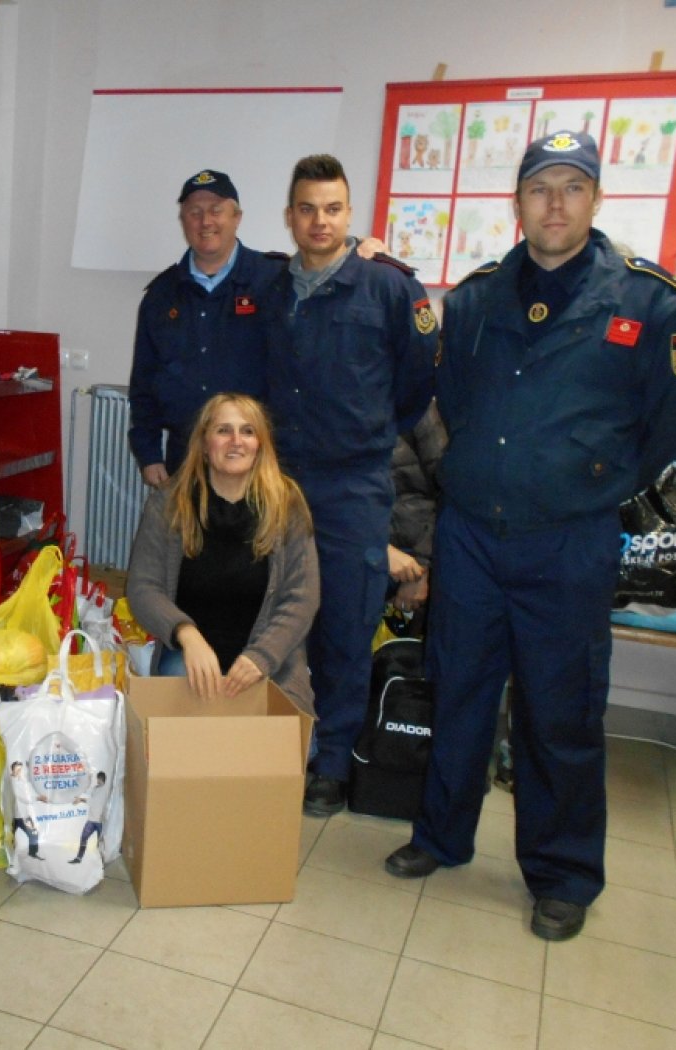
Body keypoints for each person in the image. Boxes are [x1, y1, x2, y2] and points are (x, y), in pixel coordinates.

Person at [384, 131, 676, 942]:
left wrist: (590, 481)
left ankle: (562, 873)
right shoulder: (476, 298)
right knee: (458, 690)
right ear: (518, 202)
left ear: (596, 199)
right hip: (471, 536)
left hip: (568, 543)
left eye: (572, 187)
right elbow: (454, 401)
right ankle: (441, 835)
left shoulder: (653, 304)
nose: (555, 204)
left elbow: (674, 425)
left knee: (559, 713)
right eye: (540, 188)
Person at [263, 154, 438, 815]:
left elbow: (418, 384)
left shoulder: (388, 287)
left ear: (350, 213)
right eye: (308, 209)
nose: (320, 221)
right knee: (277, 618)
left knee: (344, 624)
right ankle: (275, 747)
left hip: (352, 486)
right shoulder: (271, 290)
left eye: (333, 209)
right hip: (280, 483)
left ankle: (331, 765)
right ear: (290, 216)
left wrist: (368, 432)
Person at [126, 393, 319, 707]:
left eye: (248, 431)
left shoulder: (288, 506)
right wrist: (186, 635)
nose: (236, 441)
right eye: (223, 430)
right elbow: (143, 587)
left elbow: (303, 597)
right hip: (189, 660)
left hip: (270, 660)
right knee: (189, 724)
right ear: (204, 444)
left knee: (284, 730)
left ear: (260, 445)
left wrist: (261, 657)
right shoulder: (168, 503)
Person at [127, 170, 286, 486]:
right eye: (194, 212)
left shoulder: (275, 281)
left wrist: (359, 248)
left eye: (216, 210)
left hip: (257, 461)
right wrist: (148, 453)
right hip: (185, 459)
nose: (205, 221)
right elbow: (143, 382)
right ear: (183, 220)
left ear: (237, 217)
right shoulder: (161, 295)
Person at [387, 400, 446, 627]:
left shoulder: (415, 403)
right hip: (359, 553)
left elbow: (446, 488)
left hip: (415, 554)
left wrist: (422, 568)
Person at [69, 771, 110, 863]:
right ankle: (79, 858)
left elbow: (94, 801)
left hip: (100, 821)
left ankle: (102, 861)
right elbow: (88, 793)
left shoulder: (105, 789)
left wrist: (81, 800)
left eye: (98, 779)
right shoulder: (95, 788)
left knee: (100, 842)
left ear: (101, 778)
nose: (97, 780)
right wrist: (87, 780)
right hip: (91, 819)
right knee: (84, 837)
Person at [9, 761, 42, 860]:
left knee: (33, 834)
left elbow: (30, 778)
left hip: (24, 816)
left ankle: (33, 853)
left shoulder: (24, 782)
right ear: (13, 771)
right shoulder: (11, 782)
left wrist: (29, 766)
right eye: (18, 770)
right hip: (12, 817)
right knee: (9, 837)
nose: (20, 772)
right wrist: (37, 798)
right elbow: (23, 797)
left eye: (21, 770)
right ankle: (10, 856)